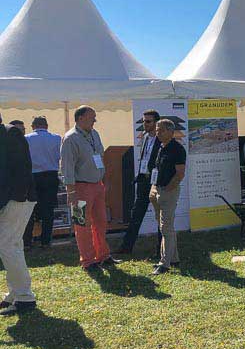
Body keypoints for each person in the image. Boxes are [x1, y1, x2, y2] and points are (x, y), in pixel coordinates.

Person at [60, 106, 120, 271]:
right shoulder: (70, 138)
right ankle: (87, 260)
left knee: (101, 222)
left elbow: (99, 157)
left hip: (97, 186)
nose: (95, 120)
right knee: (82, 225)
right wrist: (70, 191)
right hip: (79, 187)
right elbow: (67, 167)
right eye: (91, 117)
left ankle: (103, 255)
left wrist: (103, 181)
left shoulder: (94, 134)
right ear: (80, 119)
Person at [0, 115, 39, 315]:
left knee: (7, 245)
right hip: (10, 200)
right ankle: (16, 293)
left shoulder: (10, 133)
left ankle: (25, 297)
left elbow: (22, 169)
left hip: (17, 200)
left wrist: (18, 197)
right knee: (13, 246)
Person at [117, 110, 161, 254]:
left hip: (156, 183)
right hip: (143, 180)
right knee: (136, 214)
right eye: (143, 121)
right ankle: (126, 247)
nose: (145, 124)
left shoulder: (162, 139)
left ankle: (161, 251)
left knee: (160, 216)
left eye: (148, 121)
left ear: (156, 123)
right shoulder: (146, 137)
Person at [149, 119, 186, 275]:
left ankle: (164, 263)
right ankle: (174, 258)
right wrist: (154, 188)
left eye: (162, 130)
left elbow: (180, 174)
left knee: (166, 227)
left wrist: (168, 189)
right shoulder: (161, 147)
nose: (158, 133)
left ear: (171, 132)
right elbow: (157, 168)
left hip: (168, 192)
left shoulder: (177, 149)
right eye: (157, 130)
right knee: (165, 227)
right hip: (157, 189)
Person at [23, 116, 61, 249]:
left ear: (33, 126)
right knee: (48, 210)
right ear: (47, 125)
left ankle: (27, 241)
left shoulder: (26, 138)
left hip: (33, 176)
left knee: (30, 210)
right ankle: (46, 241)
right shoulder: (57, 138)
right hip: (51, 175)